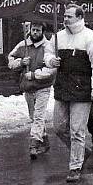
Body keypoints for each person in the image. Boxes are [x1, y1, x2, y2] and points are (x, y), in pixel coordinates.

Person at [45, 4, 93, 183]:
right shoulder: (58, 37)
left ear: (80, 18)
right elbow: (47, 54)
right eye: (64, 16)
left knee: (77, 130)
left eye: (69, 16)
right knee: (58, 127)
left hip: (82, 89)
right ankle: (81, 151)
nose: (65, 19)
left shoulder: (91, 37)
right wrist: (51, 61)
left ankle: (75, 167)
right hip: (63, 87)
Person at [8, 22, 56, 159]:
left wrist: (35, 75)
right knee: (33, 116)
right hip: (28, 87)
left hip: (43, 86)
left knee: (39, 116)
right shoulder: (23, 45)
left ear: (43, 31)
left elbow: (52, 69)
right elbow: (10, 60)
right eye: (33, 30)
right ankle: (45, 140)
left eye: (38, 30)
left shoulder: (48, 47)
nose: (35, 33)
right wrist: (21, 63)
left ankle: (33, 144)